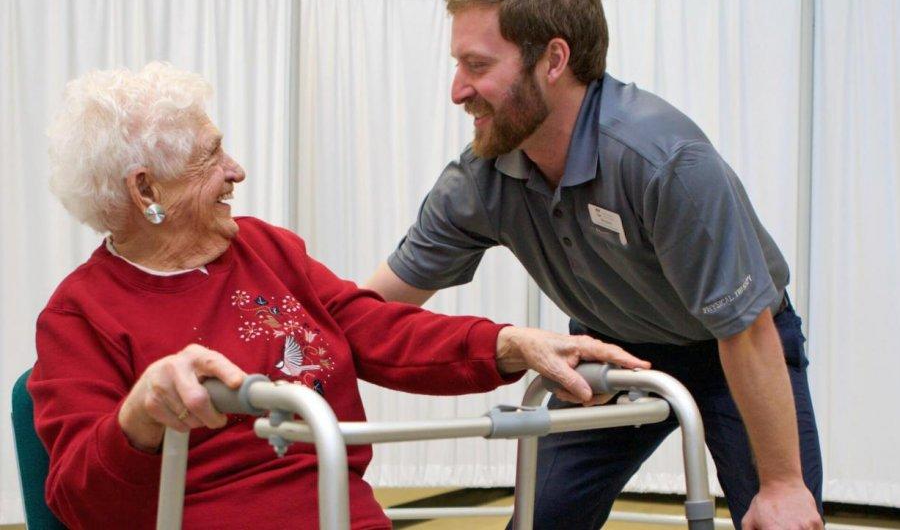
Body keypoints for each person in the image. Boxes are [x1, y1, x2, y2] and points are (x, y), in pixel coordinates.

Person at [28, 62, 650, 530]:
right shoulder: (81, 314)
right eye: (212, 156)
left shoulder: (265, 248)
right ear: (145, 189)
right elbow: (80, 500)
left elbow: (372, 328)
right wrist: (140, 415)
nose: (237, 171)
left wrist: (510, 344)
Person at [364, 0, 824, 530]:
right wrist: (284, 350)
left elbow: (748, 327)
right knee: (540, 520)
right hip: (615, 348)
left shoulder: (662, 161)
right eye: (458, 65)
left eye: (477, 65)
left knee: (780, 518)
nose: (458, 90)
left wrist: (783, 484)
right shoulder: (481, 178)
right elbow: (377, 306)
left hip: (734, 344)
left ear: (554, 59)